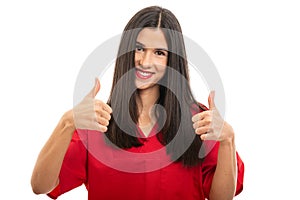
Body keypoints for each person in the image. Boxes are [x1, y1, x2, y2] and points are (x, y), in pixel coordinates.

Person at [31, 6, 244, 200]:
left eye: (159, 53)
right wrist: (67, 122)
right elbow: (41, 186)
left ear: (173, 60)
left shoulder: (200, 122)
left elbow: (221, 198)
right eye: (139, 48)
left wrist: (228, 140)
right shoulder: (98, 121)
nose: (145, 61)